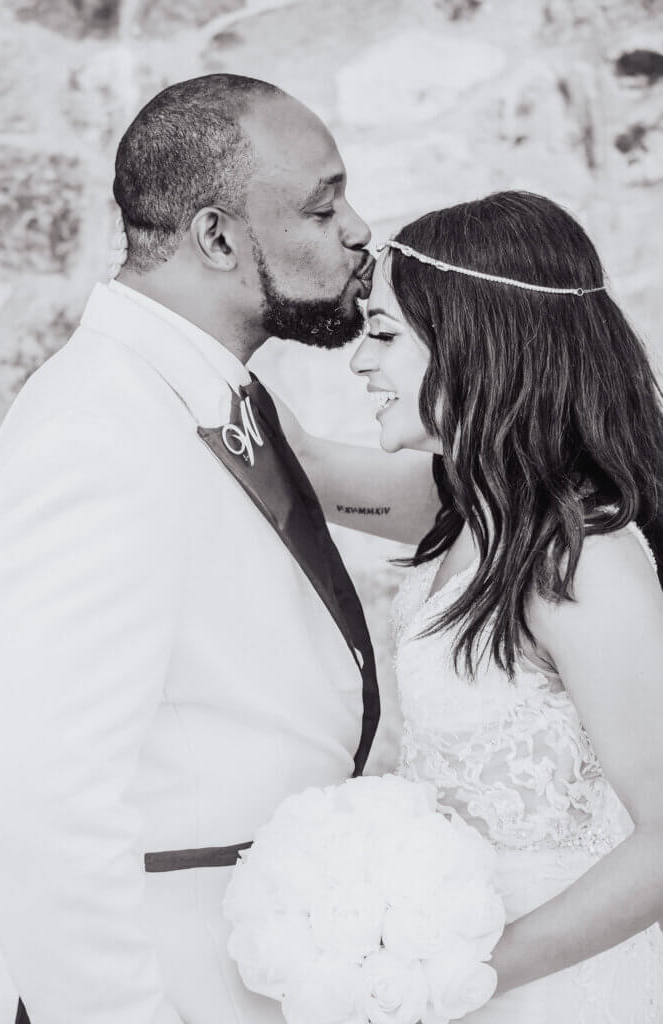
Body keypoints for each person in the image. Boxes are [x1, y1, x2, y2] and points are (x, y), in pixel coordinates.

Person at [0, 74, 436, 1024]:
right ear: (217, 238)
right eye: (324, 207)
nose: (360, 232)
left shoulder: (206, 394)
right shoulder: (98, 429)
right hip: (168, 983)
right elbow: (40, 795)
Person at [278, 191, 663, 1020]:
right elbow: (298, 466)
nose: (361, 362)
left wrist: (451, 977)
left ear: (474, 340)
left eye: (384, 334)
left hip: (549, 990)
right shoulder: (471, 507)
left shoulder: (580, 558)